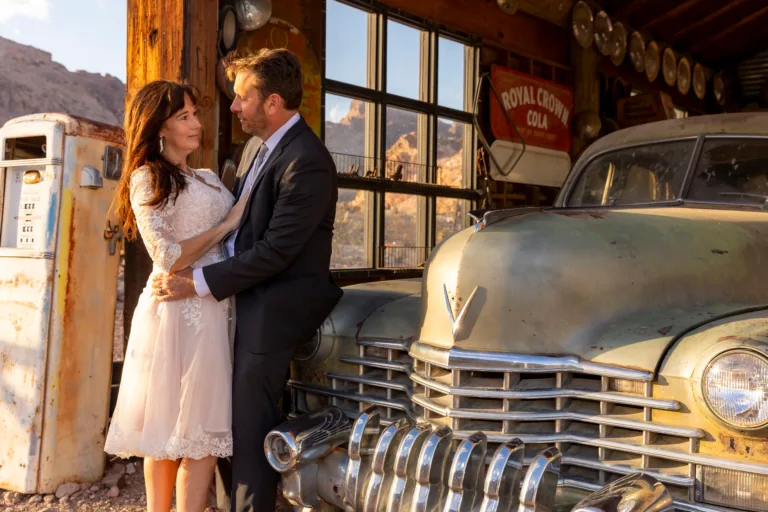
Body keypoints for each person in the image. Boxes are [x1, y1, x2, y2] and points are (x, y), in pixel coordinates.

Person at [151, 48, 343, 512]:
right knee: (220, 416)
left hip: (275, 305)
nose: (233, 106)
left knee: (247, 422)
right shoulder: (257, 147)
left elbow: (276, 252)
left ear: (272, 103)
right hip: (238, 292)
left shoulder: (308, 161)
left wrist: (196, 282)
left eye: (242, 98)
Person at [105, 81, 248, 512]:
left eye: (195, 114)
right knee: (165, 432)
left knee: (199, 434)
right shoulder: (147, 177)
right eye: (183, 116)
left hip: (213, 307)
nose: (196, 124)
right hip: (174, 312)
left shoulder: (205, 177)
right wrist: (226, 225)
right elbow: (166, 255)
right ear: (158, 127)